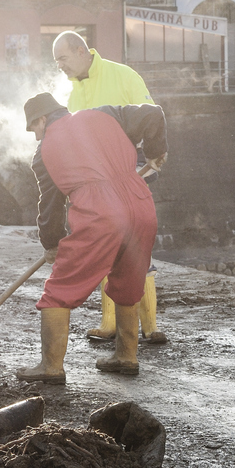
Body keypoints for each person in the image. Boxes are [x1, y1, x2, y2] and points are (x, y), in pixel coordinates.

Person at [16, 92, 167, 382]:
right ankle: (126, 356)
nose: (35, 136)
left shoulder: (44, 152)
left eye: (33, 127)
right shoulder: (106, 112)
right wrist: (154, 151)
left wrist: (52, 243)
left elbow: (50, 206)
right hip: (141, 205)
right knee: (129, 281)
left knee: (60, 289)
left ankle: (51, 366)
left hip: (101, 214)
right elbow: (153, 113)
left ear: (42, 119)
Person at [52, 30, 167, 345]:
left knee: (136, 245)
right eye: (56, 61)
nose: (59, 65)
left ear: (81, 51)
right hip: (96, 180)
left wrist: (155, 155)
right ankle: (110, 322)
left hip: (129, 172)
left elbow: (152, 116)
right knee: (109, 245)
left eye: (62, 58)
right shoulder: (70, 93)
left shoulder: (123, 75)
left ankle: (150, 326)